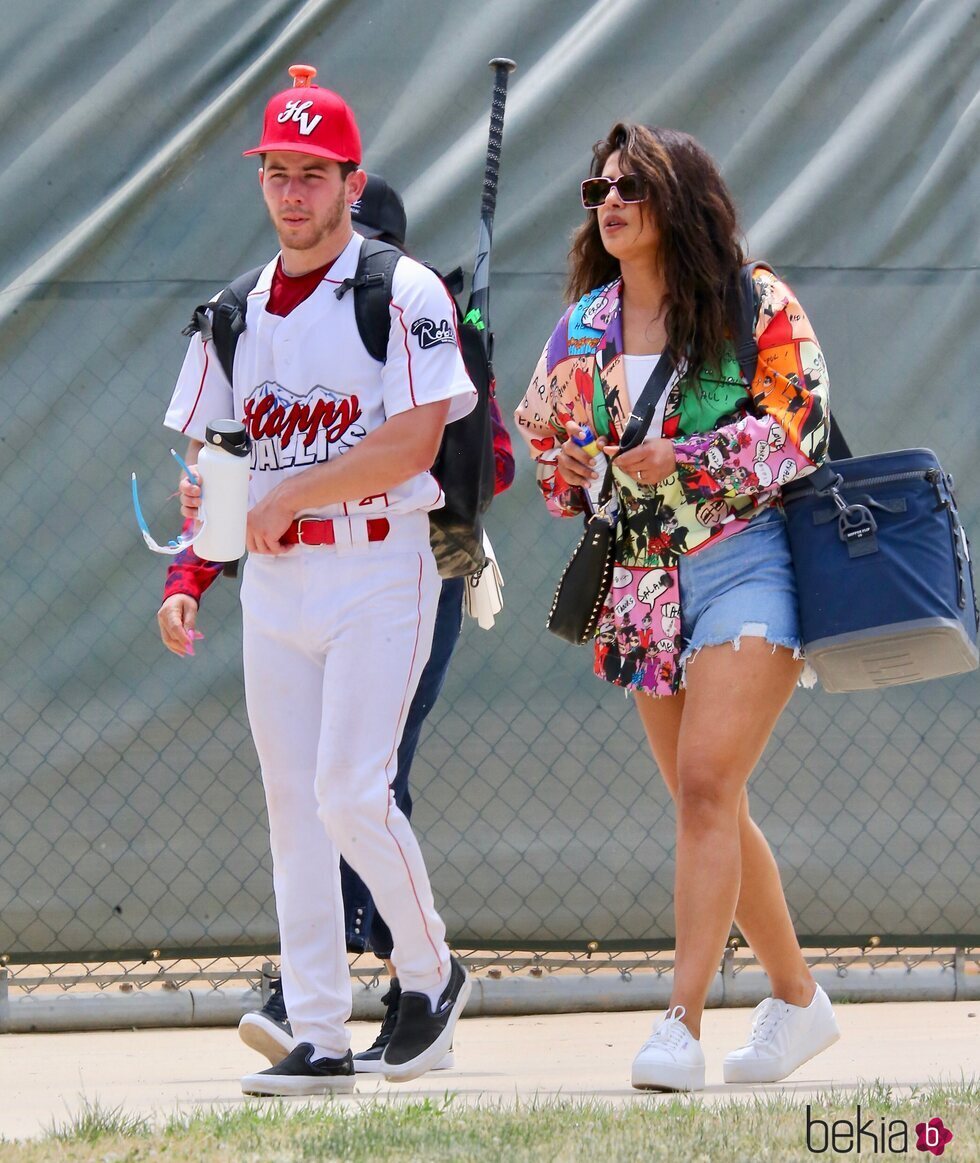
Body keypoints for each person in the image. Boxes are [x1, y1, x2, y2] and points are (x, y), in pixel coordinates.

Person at [160, 64, 475, 1096]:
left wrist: (285, 497)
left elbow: (417, 437)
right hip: (276, 586)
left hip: (382, 562)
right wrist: (191, 570)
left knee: (349, 790)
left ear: (351, 180)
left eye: (312, 174)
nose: (292, 193)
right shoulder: (232, 311)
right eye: (276, 173)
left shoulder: (402, 287)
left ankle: (430, 974)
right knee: (294, 806)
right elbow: (221, 464)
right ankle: (321, 1033)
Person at [515, 122, 840, 1092]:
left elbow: (798, 429)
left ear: (677, 201)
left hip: (748, 561)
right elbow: (545, 453)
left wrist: (684, 458)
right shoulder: (580, 330)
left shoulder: (755, 305)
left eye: (631, 187)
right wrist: (570, 469)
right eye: (596, 190)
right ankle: (795, 999)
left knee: (703, 783)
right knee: (707, 801)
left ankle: (678, 1022)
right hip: (639, 582)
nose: (608, 201)